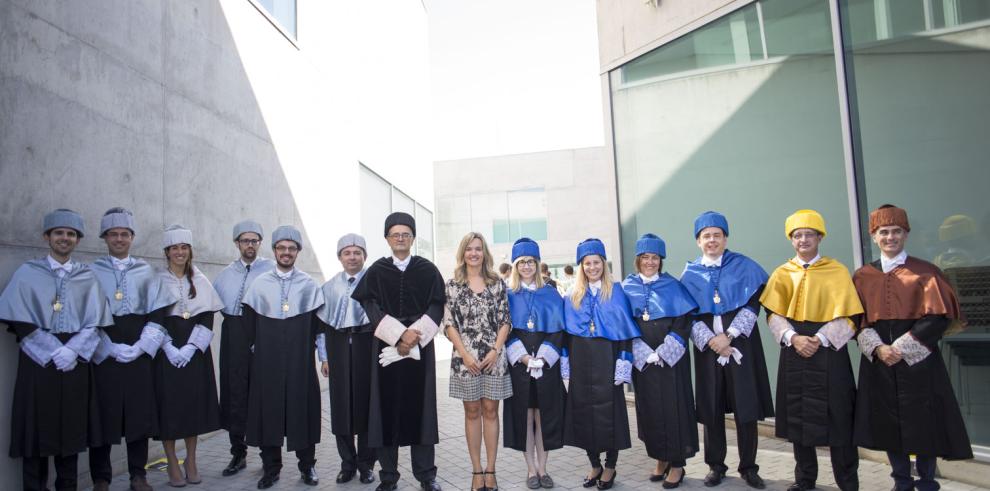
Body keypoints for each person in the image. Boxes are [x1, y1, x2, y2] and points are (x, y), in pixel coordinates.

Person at [853, 205, 972, 491]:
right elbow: (855, 319)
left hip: (918, 359)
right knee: (888, 422)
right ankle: (901, 480)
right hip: (880, 359)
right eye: (884, 232)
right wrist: (879, 349)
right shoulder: (862, 276)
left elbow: (937, 318)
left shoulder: (927, 272)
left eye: (896, 232)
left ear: (906, 235)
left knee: (924, 421)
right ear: (874, 236)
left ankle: (928, 480)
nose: (890, 237)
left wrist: (901, 349)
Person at [0, 209, 112, 491]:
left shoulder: (86, 276)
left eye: (71, 234)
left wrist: (72, 351)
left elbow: (96, 322)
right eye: (59, 233)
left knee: (70, 433)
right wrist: (52, 350)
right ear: (47, 237)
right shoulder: (28, 273)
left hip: (74, 366)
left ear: (77, 240)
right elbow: (19, 320)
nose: (65, 238)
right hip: (38, 365)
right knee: (35, 432)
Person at [760, 210, 863, 491]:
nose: (803, 239)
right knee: (798, 417)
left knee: (840, 418)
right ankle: (805, 479)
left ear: (820, 237)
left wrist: (819, 338)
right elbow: (772, 313)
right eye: (797, 235)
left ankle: (848, 481)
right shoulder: (782, 273)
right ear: (791, 240)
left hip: (830, 352)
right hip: (794, 352)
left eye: (809, 234)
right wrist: (793, 338)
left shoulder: (837, 270)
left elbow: (851, 315)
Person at [351, 212, 446, 491]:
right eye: (395, 234)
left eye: (406, 234)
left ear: (413, 238)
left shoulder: (427, 269)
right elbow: (370, 306)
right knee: (385, 411)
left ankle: (426, 475)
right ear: (387, 238)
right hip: (385, 349)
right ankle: (389, 476)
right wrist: (398, 335)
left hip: (420, 346)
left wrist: (413, 337)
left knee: (422, 412)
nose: (401, 238)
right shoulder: (377, 271)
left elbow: (436, 305)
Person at [681, 211, 773, 489]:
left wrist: (729, 336)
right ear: (698, 241)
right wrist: (711, 340)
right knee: (712, 407)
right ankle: (716, 466)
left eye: (716, 235)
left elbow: (754, 303)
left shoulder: (743, 265)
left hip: (740, 344)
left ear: (725, 238)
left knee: (746, 405)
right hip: (708, 347)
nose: (712, 240)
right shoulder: (691, 272)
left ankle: (749, 467)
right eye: (706, 236)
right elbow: (688, 314)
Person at [88, 208, 177, 491]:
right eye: (113, 234)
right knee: (102, 416)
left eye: (124, 234)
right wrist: (108, 347)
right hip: (105, 354)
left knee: (138, 417)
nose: (119, 239)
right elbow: (85, 315)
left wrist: (141, 347)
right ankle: (101, 478)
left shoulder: (145, 271)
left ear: (132, 238)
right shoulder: (91, 272)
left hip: (138, 354)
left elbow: (158, 313)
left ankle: (138, 475)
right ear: (105, 238)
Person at [242, 225, 325, 489]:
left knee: (304, 411)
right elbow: (248, 329)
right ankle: (271, 468)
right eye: (281, 248)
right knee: (269, 412)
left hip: (301, 362)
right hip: (268, 364)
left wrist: (324, 358)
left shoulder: (309, 285)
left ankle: (307, 466)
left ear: (298, 251)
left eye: (291, 248)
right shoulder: (259, 284)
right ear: (274, 250)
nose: (286, 252)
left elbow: (319, 329)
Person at [621, 233, 699, 489]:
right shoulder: (626, 287)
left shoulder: (673, 286)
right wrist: (643, 351)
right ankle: (660, 458)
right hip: (643, 362)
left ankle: (677, 464)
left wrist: (665, 351)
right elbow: (624, 323)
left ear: (661, 261)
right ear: (638, 260)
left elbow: (683, 321)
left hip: (671, 362)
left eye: (655, 258)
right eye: (645, 257)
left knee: (675, 409)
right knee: (650, 410)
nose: (650, 262)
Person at [561, 238, 640, 491]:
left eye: (596, 263)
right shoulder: (572, 296)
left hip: (608, 360)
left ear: (603, 264)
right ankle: (594, 464)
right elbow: (565, 334)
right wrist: (565, 361)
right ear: (581, 267)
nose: (592, 267)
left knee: (611, 414)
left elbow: (626, 332)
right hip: (581, 362)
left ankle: (610, 465)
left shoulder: (617, 292)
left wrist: (624, 362)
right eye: (587, 264)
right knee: (583, 414)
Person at [155, 225, 224, 487]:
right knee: (169, 409)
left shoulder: (201, 280)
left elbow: (208, 316)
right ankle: (172, 461)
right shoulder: (157, 280)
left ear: (190, 251)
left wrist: (191, 348)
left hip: (195, 353)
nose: (180, 252)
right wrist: (170, 347)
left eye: (184, 248)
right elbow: (153, 317)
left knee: (192, 408)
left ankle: (191, 460)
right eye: (175, 248)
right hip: (166, 352)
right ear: (167, 252)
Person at [443, 232, 512, 491]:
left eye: (478, 249)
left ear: (485, 253)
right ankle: (476, 471)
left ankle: (491, 470)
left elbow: (506, 320)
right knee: (472, 412)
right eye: (469, 249)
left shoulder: (497, 283)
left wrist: (495, 350)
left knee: (491, 412)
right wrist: (465, 353)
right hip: (465, 360)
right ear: (463, 253)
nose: (474, 253)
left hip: (494, 358)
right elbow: (448, 324)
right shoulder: (452, 285)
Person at [212, 220, 275, 476]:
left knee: (262, 393)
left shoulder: (271, 270)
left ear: (260, 243)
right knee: (235, 393)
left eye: (254, 241)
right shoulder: (226, 273)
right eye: (245, 240)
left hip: (264, 332)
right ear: (237, 243)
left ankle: (268, 456)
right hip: (234, 335)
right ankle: (238, 453)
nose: (250, 245)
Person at [503, 238, 566, 490]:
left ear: (538, 265)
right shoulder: (507, 295)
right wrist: (525, 358)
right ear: (516, 266)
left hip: (546, 365)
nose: (527, 266)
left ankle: (543, 468)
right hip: (520, 365)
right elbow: (505, 332)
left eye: (531, 262)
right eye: (522, 262)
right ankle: (530, 469)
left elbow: (559, 330)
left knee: (544, 416)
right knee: (525, 417)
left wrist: (543, 357)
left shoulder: (551, 294)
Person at [317, 233, 377, 485]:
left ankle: (366, 465)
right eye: (347, 253)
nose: (352, 257)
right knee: (341, 407)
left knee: (366, 406)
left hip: (367, 346)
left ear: (364, 256)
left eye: (357, 252)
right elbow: (321, 326)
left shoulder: (375, 283)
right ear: (340, 257)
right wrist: (324, 357)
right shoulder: (329, 287)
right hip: (338, 346)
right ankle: (347, 463)